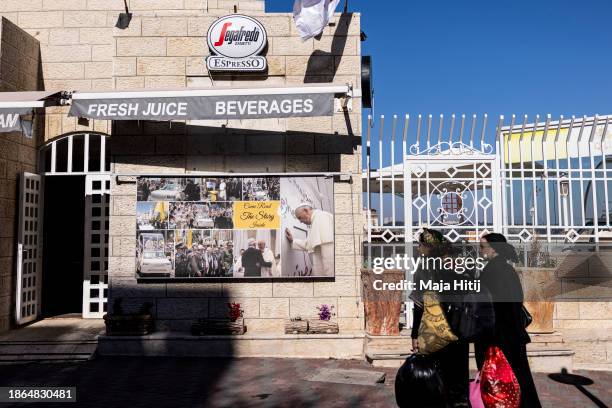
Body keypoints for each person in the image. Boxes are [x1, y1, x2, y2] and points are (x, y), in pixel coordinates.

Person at [475, 233, 541, 408]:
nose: (480, 250)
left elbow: (490, 307)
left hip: (499, 338)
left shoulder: (493, 272)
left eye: (482, 246)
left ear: (494, 248)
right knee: (520, 379)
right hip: (512, 336)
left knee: (501, 385)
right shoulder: (507, 270)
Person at [409, 228, 469, 408]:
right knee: (457, 374)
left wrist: (414, 334)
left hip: (436, 328)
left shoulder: (425, 267)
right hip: (458, 326)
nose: (419, 248)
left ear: (430, 246)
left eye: (421, 244)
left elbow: (420, 304)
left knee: (437, 375)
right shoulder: (457, 263)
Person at [284, 203, 334, 276]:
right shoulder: (315, 221)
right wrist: (292, 240)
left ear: (306, 210)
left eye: (300, 217)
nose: (300, 221)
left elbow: (330, 256)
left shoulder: (322, 217)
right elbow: (308, 244)